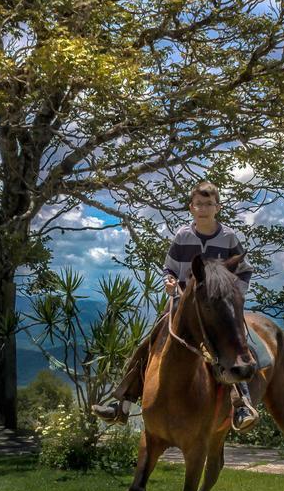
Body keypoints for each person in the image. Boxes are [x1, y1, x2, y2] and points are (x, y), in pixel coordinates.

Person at [91, 181, 258, 431]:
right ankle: (123, 404)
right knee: (148, 342)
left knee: (235, 343)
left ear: (217, 207)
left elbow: (244, 270)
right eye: (198, 204)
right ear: (191, 208)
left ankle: (242, 405)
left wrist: (233, 296)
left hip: (217, 308)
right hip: (182, 303)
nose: (203, 208)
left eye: (208, 204)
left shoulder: (229, 237)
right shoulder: (183, 235)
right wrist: (168, 281)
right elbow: (169, 267)